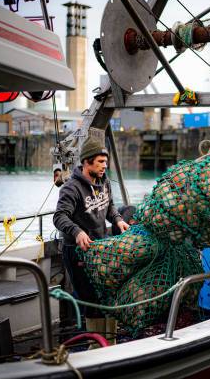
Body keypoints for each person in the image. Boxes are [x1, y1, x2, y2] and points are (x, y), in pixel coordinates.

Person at [53, 138, 129, 343]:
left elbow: (110, 206)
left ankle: (110, 343)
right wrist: (77, 232)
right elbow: (59, 217)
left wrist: (118, 220)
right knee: (91, 300)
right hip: (77, 251)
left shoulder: (104, 181)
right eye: (100, 162)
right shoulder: (71, 188)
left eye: (106, 162)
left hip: (102, 247)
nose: (105, 166)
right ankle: (96, 346)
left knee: (110, 293)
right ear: (86, 162)